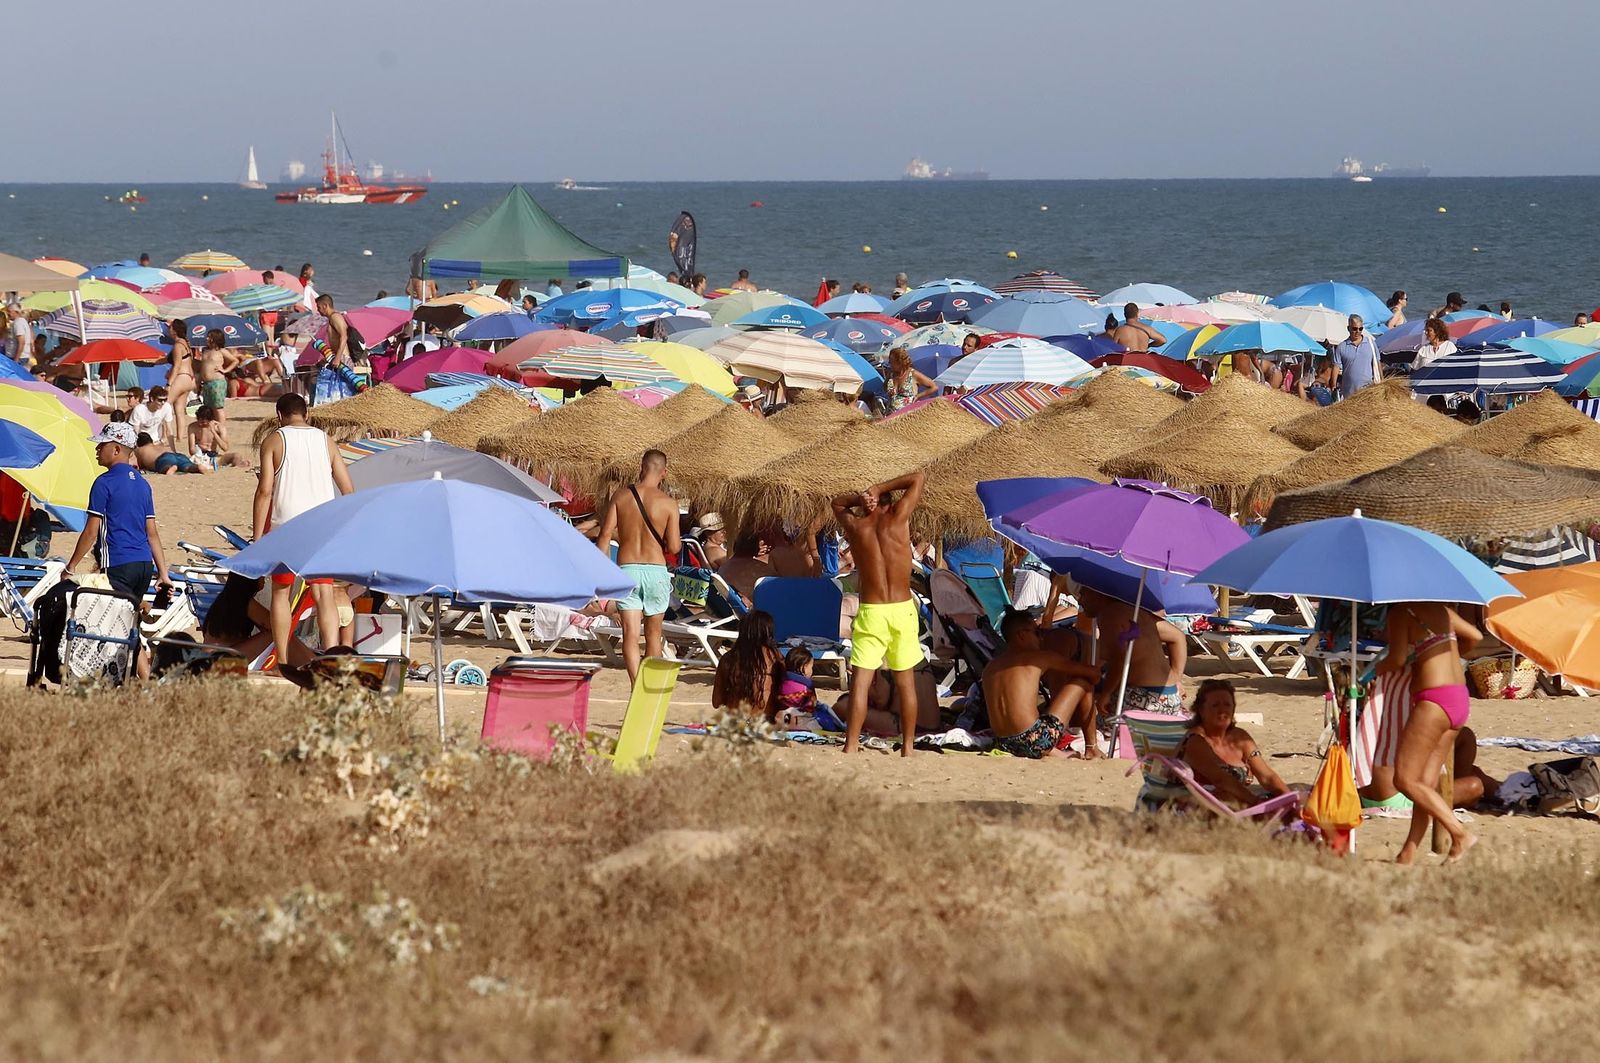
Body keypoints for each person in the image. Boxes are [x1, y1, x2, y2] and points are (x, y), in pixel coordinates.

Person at [253, 393, 355, 670]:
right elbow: (348, 490)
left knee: (281, 594)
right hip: (321, 526)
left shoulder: (274, 440)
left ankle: (283, 661)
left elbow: (264, 491)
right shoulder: (326, 441)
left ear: (279, 416)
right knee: (324, 594)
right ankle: (332, 657)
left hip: (287, 528)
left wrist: (257, 538)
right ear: (306, 414)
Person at [1378, 602, 1481, 863]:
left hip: (1433, 700)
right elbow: (1475, 636)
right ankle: (1409, 851)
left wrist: (1368, 674)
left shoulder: (1402, 612)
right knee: (1424, 783)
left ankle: (1459, 835)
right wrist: (1448, 656)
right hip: (1458, 696)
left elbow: (1397, 658)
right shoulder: (1443, 611)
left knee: (1405, 780)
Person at [832, 470, 926, 756]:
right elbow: (918, 477)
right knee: (905, 681)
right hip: (900, 608)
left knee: (861, 681)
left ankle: (851, 745)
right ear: (890, 499)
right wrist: (879, 487)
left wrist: (861, 496)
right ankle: (907, 748)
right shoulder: (898, 518)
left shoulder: (858, 528)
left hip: (872, 610)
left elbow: (837, 503)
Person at [596, 449, 681, 683]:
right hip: (655, 571)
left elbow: (604, 536)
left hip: (627, 570)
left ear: (641, 467)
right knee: (653, 635)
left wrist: (603, 572)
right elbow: (674, 547)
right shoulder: (668, 503)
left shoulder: (621, 496)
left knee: (630, 634)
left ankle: (635, 684)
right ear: (663, 473)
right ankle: (646, 685)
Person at [66, 422, 174, 601]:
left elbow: (91, 532)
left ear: (116, 449)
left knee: (108, 622)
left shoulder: (104, 482)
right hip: (144, 566)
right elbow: (152, 533)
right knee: (130, 621)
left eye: (102, 445)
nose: (97, 449)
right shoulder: (143, 484)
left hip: (118, 563)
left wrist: (71, 567)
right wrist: (163, 573)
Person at [984, 610, 1101, 759]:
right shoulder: (1040, 657)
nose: (1042, 638)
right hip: (1035, 740)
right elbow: (1092, 674)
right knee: (1083, 681)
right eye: (1037, 632)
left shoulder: (990, 667)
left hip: (1003, 743)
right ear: (1021, 635)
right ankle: (1092, 748)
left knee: (1033, 727)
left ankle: (1057, 753)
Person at [1177, 679, 1290, 806]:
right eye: (1215, 705)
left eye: (1227, 705)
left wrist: (1290, 798)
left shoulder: (1241, 737)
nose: (1222, 710)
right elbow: (1221, 780)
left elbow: (1267, 776)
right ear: (1201, 711)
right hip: (1199, 810)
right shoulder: (1195, 741)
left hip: (1236, 807)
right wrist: (1255, 802)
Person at [1093, 592, 1187, 718]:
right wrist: (1176, 678)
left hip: (1143, 699)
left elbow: (1119, 660)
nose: (1080, 601)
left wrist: (1107, 693)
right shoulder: (1138, 613)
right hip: (1170, 697)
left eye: (1082, 594)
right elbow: (1178, 636)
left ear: (1097, 595)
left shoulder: (1110, 614)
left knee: (1100, 727)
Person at [710, 609, 782, 719]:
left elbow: (716, 702)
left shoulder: (728, 659)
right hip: (765, 722)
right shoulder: (775, 657)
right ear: (768, 632)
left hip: (735, 723)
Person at [197, 328, 240, 428]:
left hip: (217, 382)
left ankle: (221, 428)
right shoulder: (205, 350)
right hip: (206, 383)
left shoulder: (221, 351)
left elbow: (235, 361)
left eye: (210, 337)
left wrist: (225, 370)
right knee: (209, 408)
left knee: (218, 407)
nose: (207, 338)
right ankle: (213, 427)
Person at [717, 531, 772, 607]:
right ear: (755, 547)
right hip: (751, 613)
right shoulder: (760, 569)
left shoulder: (724, 566)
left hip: (727, 608)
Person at [1331, 314, 1380, 399]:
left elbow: (1377, 363)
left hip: (1368, 391)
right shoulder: (1342, 346)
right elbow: (1336, 367)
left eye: (1360, 329)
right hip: (1348, 393)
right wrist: (1333, 386)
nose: (1358, 331)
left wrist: (1381, 382)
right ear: (1348, 328)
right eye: (1354, 329)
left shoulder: (1371, 343)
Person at [165, 319, 196, 445]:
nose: (168, 329)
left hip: (181, 377)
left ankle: (164, 436)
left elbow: (177, 366)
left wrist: (169, 384)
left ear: (174, 330)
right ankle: (180, 438)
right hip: (189, 378)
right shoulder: (185, 344)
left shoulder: (178, 346)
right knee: (179, 409)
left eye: (170, 327)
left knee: (164, 406)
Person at [884, 346, 938, 411]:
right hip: (890, 414)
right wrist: (888, 379)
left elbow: (934, 387)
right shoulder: (891, 374)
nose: (889, 363)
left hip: (908, 414)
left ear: (900, 362)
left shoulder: (913, 374)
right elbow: (884, 388)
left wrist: (918, 396)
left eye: (892, 361)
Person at [776, 645, 818, 724]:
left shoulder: (782, 684)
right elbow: (811, 709)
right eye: (811, 667)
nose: (812, 670)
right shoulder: (806, 689)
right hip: (799, 722)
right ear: (804, 667)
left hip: (783, 720)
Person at [133, 432, 207, 476]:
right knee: (187, 466)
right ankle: (196, 467)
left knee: (164, 466)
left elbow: (140, 465)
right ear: (151, 440)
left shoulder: (140, 450)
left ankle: (170, 468)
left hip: (163, 458)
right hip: (177, 455)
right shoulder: (158, 445)